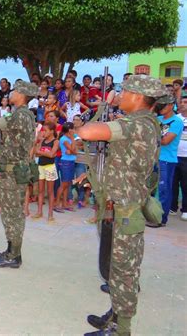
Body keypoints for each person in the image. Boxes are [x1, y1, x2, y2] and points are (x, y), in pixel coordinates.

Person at [77, 75, 166, 336]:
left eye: (124, 92)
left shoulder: (136, 123)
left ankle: (120, 329)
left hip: (127, 210)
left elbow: (86, 132)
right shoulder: (146, 123)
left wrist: (103, 106)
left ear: (138, 97)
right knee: (117, 268)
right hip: (123, 205)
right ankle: (115, 315)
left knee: (125, 271)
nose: (120, 95)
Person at [0, 81, 38, 268]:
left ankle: (14, 255)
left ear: (23, 94)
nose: (11, 93)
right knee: (10, 213)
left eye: (15, 91)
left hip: (13, 172)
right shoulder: (20, 114)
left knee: (12, 214)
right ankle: (11, 249)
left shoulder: (22, 115)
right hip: (11, 171)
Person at [147, 94, 183, 227]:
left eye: (163, 105)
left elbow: (166, 141)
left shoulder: (176, 121)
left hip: (167, 160)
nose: (161, 108)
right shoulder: (158, 119)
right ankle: (150, 214)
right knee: (148, 188)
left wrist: (152, 136)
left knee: (164, 190)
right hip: (153, 158)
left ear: (170, 105)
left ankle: (161, 219)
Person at [33, 122, 59, 221]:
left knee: (50, 191)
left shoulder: (55, 141)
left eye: (46, 130)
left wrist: (41, 152)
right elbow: (36, 153)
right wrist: (44, 153)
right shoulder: (42, 141)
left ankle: (50, 214)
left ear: (52, 131)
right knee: (40, 191)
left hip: (50, 167)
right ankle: (39, 212)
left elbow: (52, 155)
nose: (44, 132)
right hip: (41, 167)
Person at [171, 95, 187, 220]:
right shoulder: (176, 119)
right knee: (173, 183)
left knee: (185, 184)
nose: (182, 104)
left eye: (185, 102)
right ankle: (172, 207)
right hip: (174, 155)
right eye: (181, 102)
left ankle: (185, 209)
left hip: (186, 157)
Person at [54, 122, 77, 212]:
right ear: (70, 130)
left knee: (67, 184)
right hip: (66, 162)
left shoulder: (71, 138)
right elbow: (73, 150)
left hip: (71, 162)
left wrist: (73, 149)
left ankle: (64, 203)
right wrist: (72, 139)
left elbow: (75, 149)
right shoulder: (64, 139)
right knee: (63, 184)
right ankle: (56, 204)